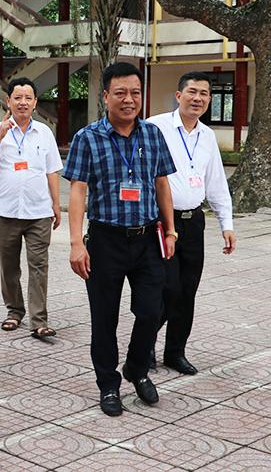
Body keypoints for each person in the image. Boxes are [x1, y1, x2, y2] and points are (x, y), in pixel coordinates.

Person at [63, 62, 177, 417]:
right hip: (105, 241)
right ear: (106, 96)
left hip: (146, 239)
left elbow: (161, 183)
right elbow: (78, 191)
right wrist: (76, 243)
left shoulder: (153, 134)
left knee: (151, 310)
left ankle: (136, 368)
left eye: (136, 93)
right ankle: (108, 385)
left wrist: (170, 230)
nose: (129, 100)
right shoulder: (87, 138)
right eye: (121, 93)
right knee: (104, 319)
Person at [147, 71, 236, 375]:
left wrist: (227, 224)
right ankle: (145, 346)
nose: (198, 99)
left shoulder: (207, 136)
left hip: (193, 222)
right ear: (178, 95)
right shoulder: (155, 127)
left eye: (204, 94)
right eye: (192, 92)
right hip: (162, 223)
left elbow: (216, 183)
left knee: (187, 291)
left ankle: (175, 352)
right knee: (166, 289)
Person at [0, 77, 62, 339]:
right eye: (17, 97)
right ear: (8, 101)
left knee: (39, 265)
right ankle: (14, 311)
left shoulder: (45, 133)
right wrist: (0, 136)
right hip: (5, 211)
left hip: (38, 212)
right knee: (9, 266)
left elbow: (52, 170)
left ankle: (38, 320)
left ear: (35, 103)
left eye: (28, 98)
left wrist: (56, 204)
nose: (23, 102)